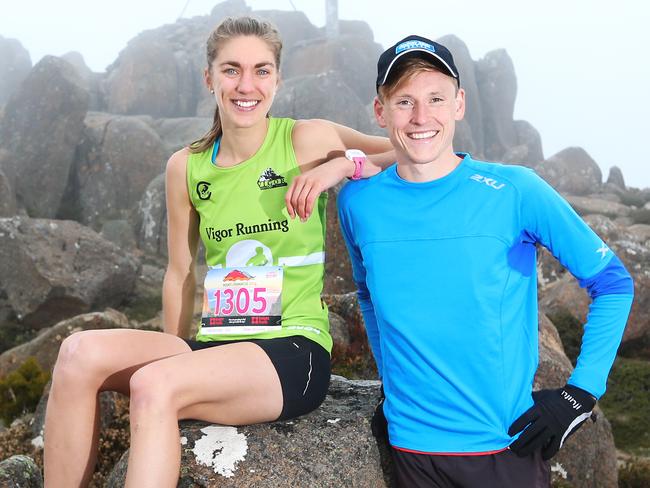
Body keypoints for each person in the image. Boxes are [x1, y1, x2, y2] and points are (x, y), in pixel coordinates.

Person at [43, 16, 392, 487]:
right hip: (216, 344)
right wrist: (174, 349)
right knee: (77, 352)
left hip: (291, 349)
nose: (246, 85)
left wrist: (342, 167)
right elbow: (180, 272)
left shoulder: (305, 139)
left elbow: (408, 148)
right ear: (209, 78)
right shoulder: (185, 167)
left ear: (277, 78)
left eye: (261, 70)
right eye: (231, 70)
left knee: (154, 386)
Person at [337, 34, 634, 487]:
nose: (421, 117)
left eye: (436, 98)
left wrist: (582, 393)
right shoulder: (358, 201)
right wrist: (392, 385)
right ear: (381, 111)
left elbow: (613, 283)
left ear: (459, 103)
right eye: (404, 102)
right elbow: (368, 296)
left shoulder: (515, 190)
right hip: (410, 449)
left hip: (503, 449)